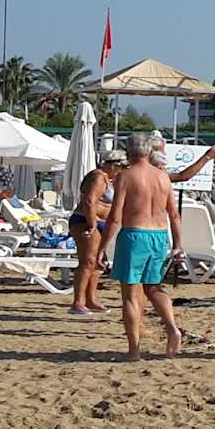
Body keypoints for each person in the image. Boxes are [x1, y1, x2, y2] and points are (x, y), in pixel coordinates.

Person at [100, 132, 184, 361]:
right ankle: (172, 328)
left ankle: (133, 350)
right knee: (153, 287)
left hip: (135, 235)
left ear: (129, 151)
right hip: (159, 235)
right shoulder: (163, 177)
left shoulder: (125, 176)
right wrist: (178, 244)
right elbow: (174, 214)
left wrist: (102, 248)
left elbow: (115, 218)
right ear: (149, 151)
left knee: (129, 295)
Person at [66, 151, 126, 315]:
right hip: (86, 221)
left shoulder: (109, 179)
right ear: (113, 165)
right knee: (88, 261)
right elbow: (89, 201)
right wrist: (92, 224)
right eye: (121, 167)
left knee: (98, 263)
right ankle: (78, 302)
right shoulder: (98, 177)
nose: (122, 170)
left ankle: (91, 299)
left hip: (100, 223)